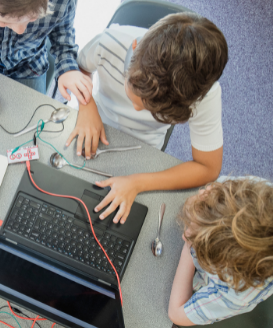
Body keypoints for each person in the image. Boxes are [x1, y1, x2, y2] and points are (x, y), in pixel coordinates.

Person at [69, 13, 229, 224]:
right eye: (133, 96)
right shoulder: (110, 42)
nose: (135, 109)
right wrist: (87, 105)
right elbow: (78, 68)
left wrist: (138, 183)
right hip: (92, 118)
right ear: (133, 48)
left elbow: (208, 168)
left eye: (149, 109)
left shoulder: (203, 95)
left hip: (145, 147)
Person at [168, 178, 273, 325]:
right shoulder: (252, 191)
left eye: (193, 236)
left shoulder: (235, 293)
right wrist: (199, 211)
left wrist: (189, 246)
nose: (184, 233)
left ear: (223, 263)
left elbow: (176, 314)